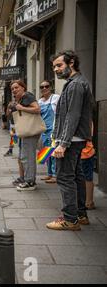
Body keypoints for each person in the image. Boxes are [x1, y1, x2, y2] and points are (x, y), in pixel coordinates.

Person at [46, 50, 93, 231]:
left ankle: (70, 219)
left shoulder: (75, 85)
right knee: (76, 176)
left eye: (59, 65)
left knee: (65, 177)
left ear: (71, 62)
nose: (56, 70)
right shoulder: (76, 83)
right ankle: (80, 214)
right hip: (75, 138)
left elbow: (72, 116)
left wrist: (63, 143)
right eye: (54, 67)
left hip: (71, 139)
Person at [10, 80, 41, 191]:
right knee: (24, 157)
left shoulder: (27, 96)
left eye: (16, 87)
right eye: (13, 89)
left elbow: (37, 109)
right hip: (26, 131)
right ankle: (27, 179)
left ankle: (30, 182)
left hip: (30, 131)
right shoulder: (22, 99)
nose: (14, 90)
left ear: (23, 87)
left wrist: (22, 108)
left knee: (28, 157)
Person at [38, 80, 60, 184]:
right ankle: (49, 173)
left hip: (53, 130)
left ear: (50, 87)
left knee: (53, 153)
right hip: (44, 130)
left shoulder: (56, 98)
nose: (44, 88)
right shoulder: (40, 101)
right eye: (41, 87)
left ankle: (55, 175)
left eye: (46, 86)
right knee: (46, 153)